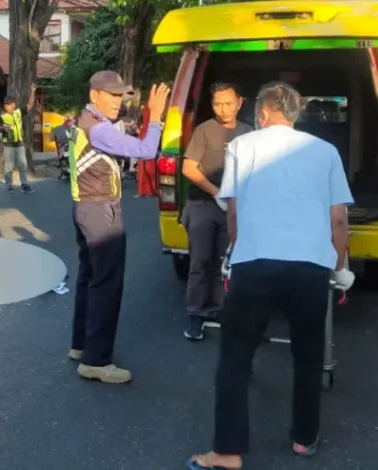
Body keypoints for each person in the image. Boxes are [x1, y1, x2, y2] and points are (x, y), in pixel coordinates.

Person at [187, 82, 355, 470]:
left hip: (256, 263)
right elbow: (338, 219)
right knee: (309, 353)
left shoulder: (242, 147)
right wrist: (341, 269)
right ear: (295, 114)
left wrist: (237, 253)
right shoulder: (326, 151)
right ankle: (303, 439)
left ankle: (228, 452)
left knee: (235, 355)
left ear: (261, 114)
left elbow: (232, 213)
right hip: (311, 266)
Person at [68, 70, 170, 384]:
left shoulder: (88, 120)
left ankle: (81, 345)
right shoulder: (98, 129)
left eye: (121, 94)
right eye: (112, 95)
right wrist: (155, 120)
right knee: (107, 284)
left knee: (90, 278)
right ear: (94, 94)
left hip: (85, 207)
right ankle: (96, 361)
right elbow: (146, 150)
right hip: (100, 211)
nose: (118, 101)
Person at [181, 82, 253, 341]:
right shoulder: (204, 130)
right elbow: (189, 168)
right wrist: (215, 192)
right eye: (217, 104)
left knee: (226, 263)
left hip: (232, 209)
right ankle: (195, 315)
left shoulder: (248, 133)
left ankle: (220, 310)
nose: (223, 109)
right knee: (200, 261)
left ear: (240, 102)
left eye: (228, 103)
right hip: (202, 204)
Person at [0, 87, 36, 193]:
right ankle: (9, 185)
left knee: (23, 164)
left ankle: (24, 184)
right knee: (8, 166)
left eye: (8, 104)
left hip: (20, 143)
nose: (6, 106)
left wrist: (32, 91)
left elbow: (30, 105)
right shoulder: (2, 116)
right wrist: (3, 128)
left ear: (13, 104)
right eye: (5, 104)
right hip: (8, 144)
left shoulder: (19, 112)